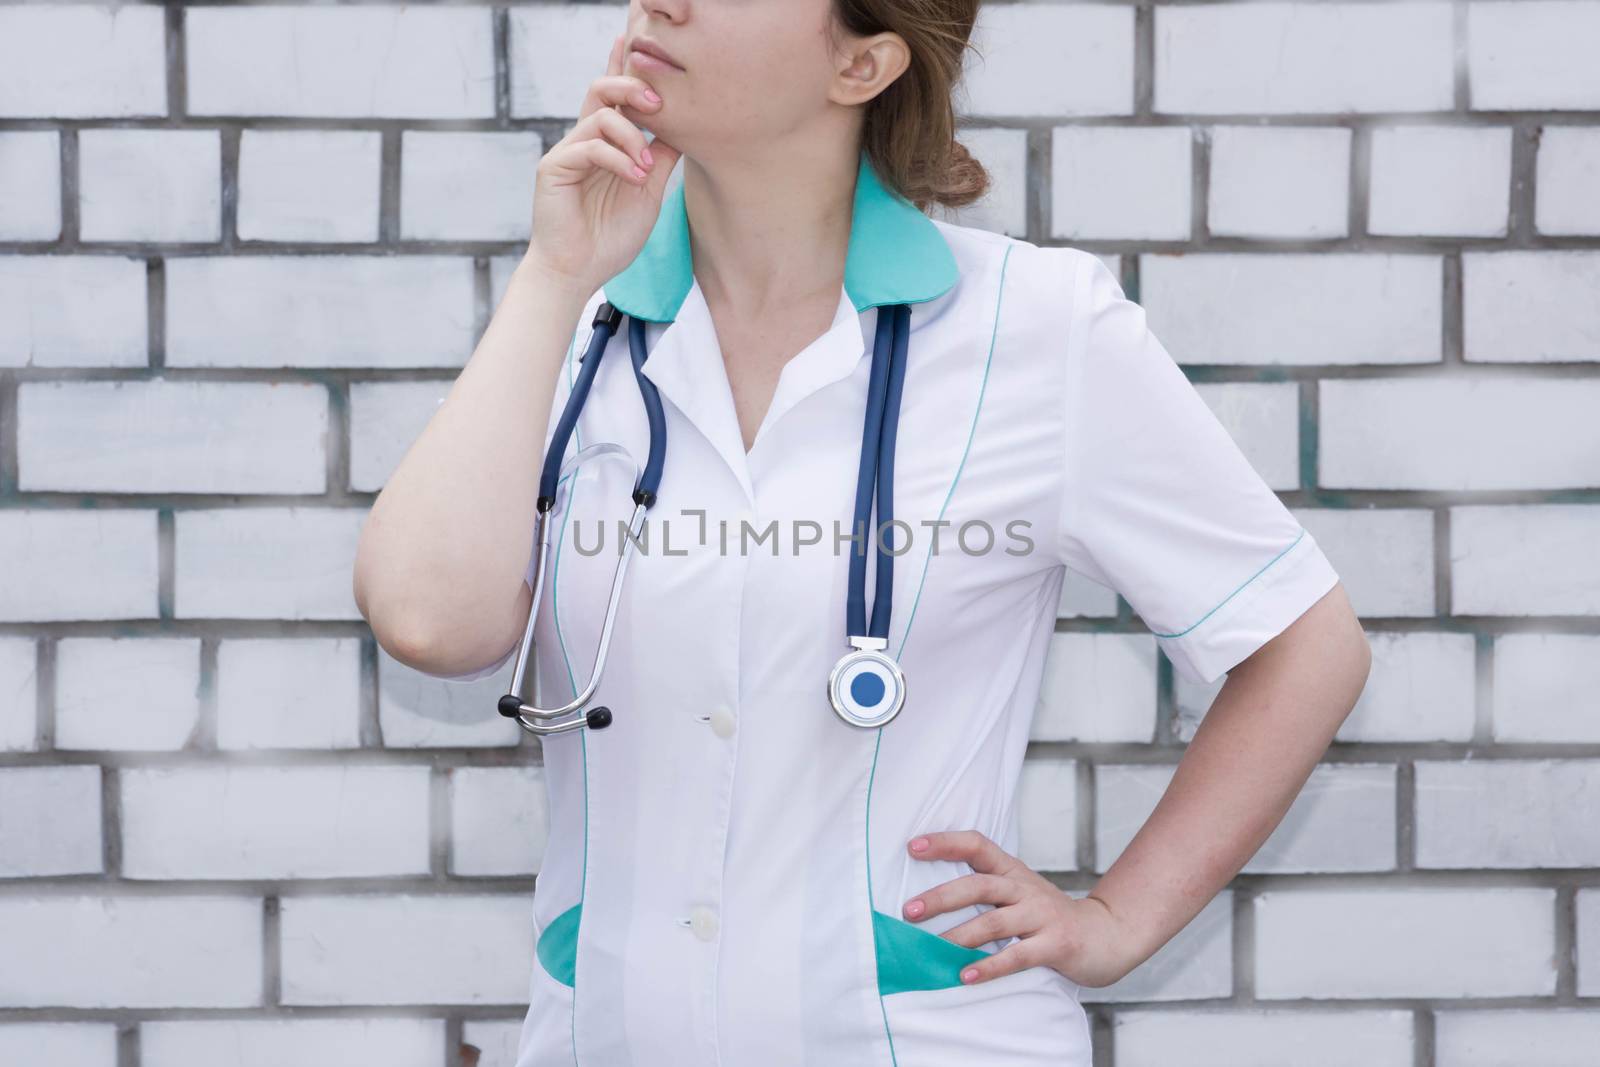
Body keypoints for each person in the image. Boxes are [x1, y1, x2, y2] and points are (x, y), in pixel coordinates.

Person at [352, 2, 1373, 1064]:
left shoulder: (1033, 328)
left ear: (862, 61)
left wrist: (1116, 921)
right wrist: (554, 275)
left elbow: (1305, 643)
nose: (662, 1)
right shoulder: (571, 330)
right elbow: (428, 621)